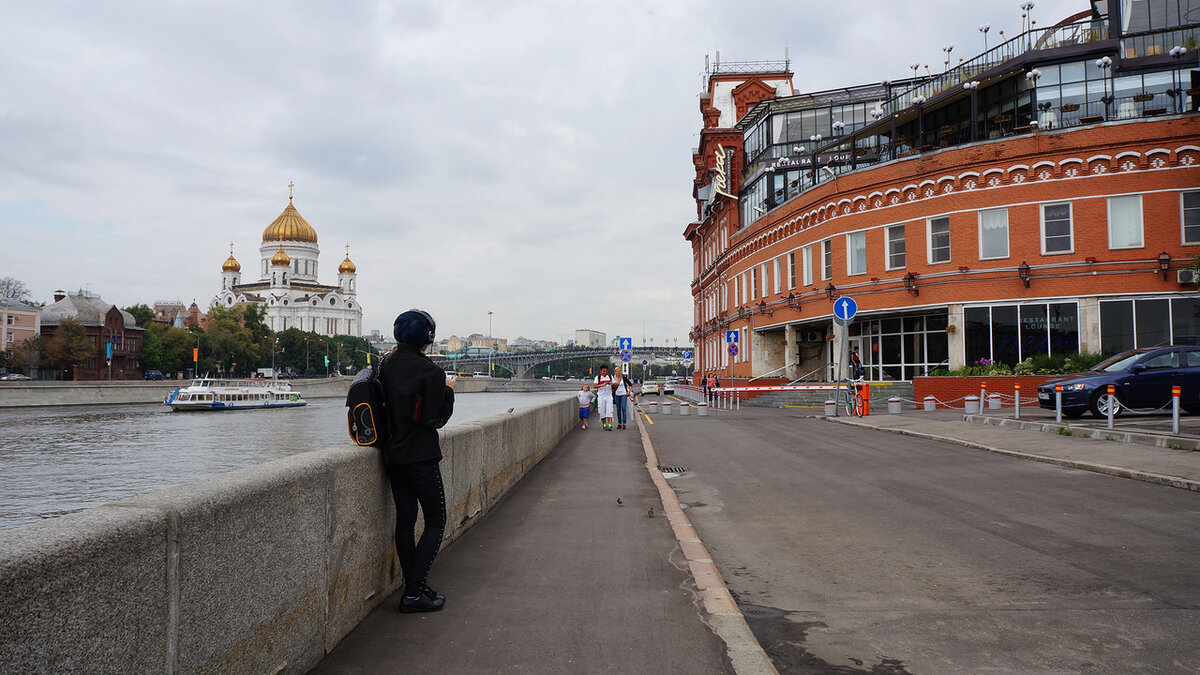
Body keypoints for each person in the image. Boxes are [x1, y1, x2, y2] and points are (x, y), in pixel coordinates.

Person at [380, 309, 455, 613]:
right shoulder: (432, 373)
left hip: (392, 455)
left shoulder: (385, 365)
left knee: (406, 519)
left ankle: (415, 586)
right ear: (428, 337)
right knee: (436, 521)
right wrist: (448, 391)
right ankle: (413, 592)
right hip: (420, 457)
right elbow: (435, 419)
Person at [593, 365, 615, 431]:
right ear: (601, 371)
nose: (604, 372)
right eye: (603, 371)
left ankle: (610, 424)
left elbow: (615, 385)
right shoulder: (598, 377)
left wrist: (612, 384)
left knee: (609, 410)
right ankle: (604, 424)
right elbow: (594, 386)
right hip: (601, 396)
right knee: (602, 411)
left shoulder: (610, 377)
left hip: (609, 396)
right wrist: (602, 385)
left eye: (605, 371)